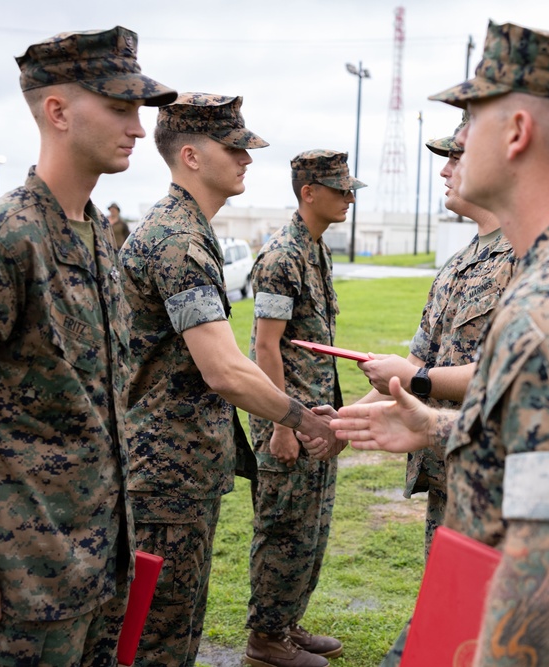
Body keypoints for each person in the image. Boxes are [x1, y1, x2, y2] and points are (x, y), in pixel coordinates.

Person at [332, 20, 549, 667]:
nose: (459, 141)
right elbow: (541, 448)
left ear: (517, 132)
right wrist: (437, 428)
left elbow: (543, 585)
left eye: (470, 117)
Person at [0, 27, 175, 665]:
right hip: (20, 579)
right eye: (120, 107)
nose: (137, 127)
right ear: (57, 111)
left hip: (94, 562)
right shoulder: (5, 240)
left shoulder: (98, 235)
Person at [120, 94, 342, 667]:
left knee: (175, 626)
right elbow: (224, 369)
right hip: (164, 471)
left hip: (181, 465)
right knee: (158, 640)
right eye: (234, 147)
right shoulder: (178, 241)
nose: (247, 159)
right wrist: (298, 418)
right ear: (191, 156)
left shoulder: (190, 232)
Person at [352, 116, 516, 561]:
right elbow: (416, 359)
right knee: (446, 603)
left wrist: (417, 378)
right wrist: (344, 420)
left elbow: (504, 376)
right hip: (447, 469)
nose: (444, 171)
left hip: (494, 477)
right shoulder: (459, 261)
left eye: (455, 157)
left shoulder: (524, 255)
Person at [244, 150, 364, 667]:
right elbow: (265, 347)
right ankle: (265, 640)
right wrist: (281, 426)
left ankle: (287, 625)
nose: (350, 198)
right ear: (308, 192)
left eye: (351, 188)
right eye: (340, 189)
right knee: (283, 528)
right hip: (287, 422)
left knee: (310, 528)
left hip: (314, 419)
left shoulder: (315, 250)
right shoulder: (281, 257)